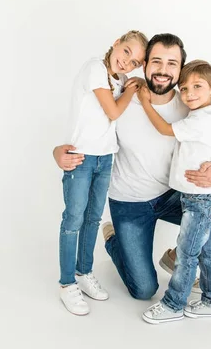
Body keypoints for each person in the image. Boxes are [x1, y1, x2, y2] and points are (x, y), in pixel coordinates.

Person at [52, 33, 211, 313]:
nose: (163, 70)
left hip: (176, 195)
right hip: (130, 203)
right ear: (145, 64)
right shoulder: (122, 96)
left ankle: (182, 256)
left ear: (180, 69)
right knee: (144, 290)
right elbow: (86, 124)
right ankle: (113, 238)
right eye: (156, 61)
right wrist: (58, 150)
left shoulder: (189, 103)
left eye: (172, 63)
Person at [138, 60, 211, 324]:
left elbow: (164, 129)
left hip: (198, 200)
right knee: (208, 252)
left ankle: (173, 305)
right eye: (184, 88)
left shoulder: (200, 120)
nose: (189, 93)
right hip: (208, 197)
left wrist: (146, 102)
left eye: (197, 86)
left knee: (187, 253)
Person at [58, 30, 148, 316]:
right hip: (81, 157)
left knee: (94, 219)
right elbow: (112, 111)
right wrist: (133, 89)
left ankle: (84, 272)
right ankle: (67, 283)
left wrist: (134, 84)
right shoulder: (95, 68)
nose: (127, 64)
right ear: (117, 42)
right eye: (126, 53)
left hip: (105, 158)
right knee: (73, 220)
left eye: (135, 63)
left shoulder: (119, 79)